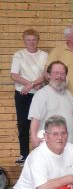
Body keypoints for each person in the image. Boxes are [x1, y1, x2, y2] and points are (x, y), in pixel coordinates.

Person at [10, 28, 48, 164]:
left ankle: (41, 152)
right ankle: (24, 154)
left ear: (37, 40)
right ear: (24, 41)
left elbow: (45, 75)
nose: (31, 43)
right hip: (23, 93)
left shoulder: (44, 55)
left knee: (41, 123)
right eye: (28, 40)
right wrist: (30, 84)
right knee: (23, 124)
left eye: (33, 40)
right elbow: (14, 75)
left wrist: (33, 85)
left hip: (39, 93)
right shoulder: (18, 55)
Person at [46, 26, 73, 134]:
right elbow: (47, 72)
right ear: (67, 38)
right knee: (66, 125)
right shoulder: (57, 51)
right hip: (64, 95)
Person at [29, 61, 73, 147]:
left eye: (62, 73)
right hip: (48, 147)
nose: (59, 76)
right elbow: (35, 119)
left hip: (69, 145)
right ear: (48, 75)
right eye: (56, 73)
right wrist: (33, 137)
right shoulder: (41, 94)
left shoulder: (69, 95)